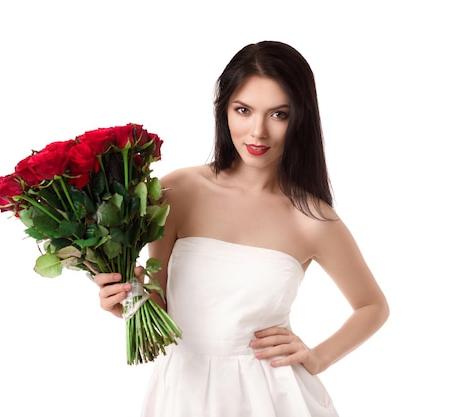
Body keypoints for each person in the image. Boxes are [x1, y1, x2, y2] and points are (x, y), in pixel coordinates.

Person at [94, 40, 389, 417]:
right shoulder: (177, 192)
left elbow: (373, 306)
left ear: (301, 118)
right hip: (183, 392)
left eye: (278, 114)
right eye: (244, 110)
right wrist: (126, 301)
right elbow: (160, 302)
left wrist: (318, 357)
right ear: (224, 111)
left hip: (275, 398)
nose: (258, 132)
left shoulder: (312, 218)